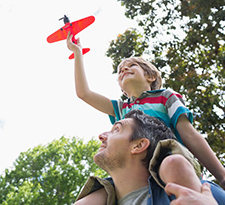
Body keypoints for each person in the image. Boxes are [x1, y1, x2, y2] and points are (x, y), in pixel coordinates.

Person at [66, 32, 225, 196]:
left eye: (132, 65)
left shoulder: (166, 97)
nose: (124, 69)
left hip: (167, 158)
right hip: (133, 169)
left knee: (171, 165)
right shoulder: (121, 109)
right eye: (120, 70)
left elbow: (189, 134)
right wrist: (78, 53)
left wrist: (221, 175)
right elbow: (83, 93)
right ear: (122, 89)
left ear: (151, 76)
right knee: (94, 195)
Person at [74, 110, 225, 205]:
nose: (101, 136)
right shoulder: (94, 200)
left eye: (117, 129)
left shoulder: (199, 192)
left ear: (138, 146)